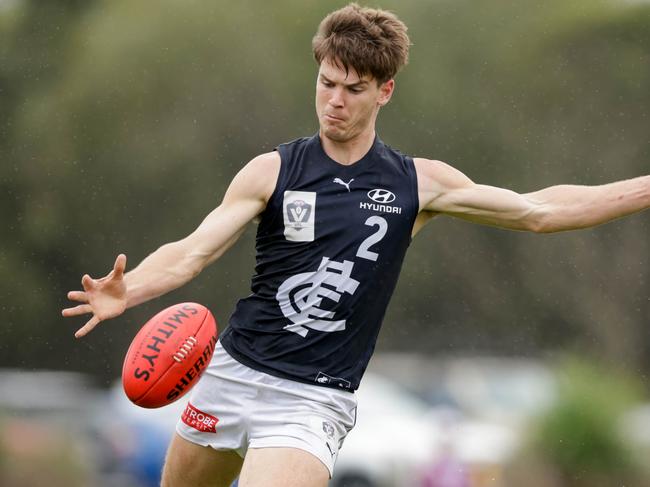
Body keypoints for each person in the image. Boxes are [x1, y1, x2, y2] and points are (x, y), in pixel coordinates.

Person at [62, 4, 650, 487]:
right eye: (326, 83)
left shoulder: (418, 184)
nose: (334, 101)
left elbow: (540, 211)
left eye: (353, 89)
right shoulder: (272, 171)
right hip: (231, 372)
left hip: (311, 397)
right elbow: (194, 250)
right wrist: (131, 287)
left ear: (385, 91)